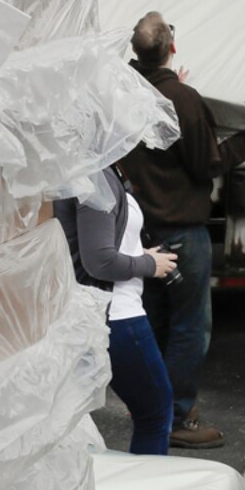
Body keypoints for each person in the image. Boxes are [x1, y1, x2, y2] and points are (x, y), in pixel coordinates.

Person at [120, 12, 245, 449]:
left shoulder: (123, 94)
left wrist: (175, 90)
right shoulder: (182, 99)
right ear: (172, 48)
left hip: (143, 232)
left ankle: (154, 412)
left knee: (156, 323)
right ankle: (178, 416)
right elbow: (209, 163)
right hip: (183, 234)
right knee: (188, 328)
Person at [56, 172, 178, 456]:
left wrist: (137, 251)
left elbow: (87, 243)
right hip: (117, 316)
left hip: (89, 311)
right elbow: (99, 261)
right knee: (155, 414)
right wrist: (149, 264)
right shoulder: (94, 178)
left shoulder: (87, 172)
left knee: (72, 419)